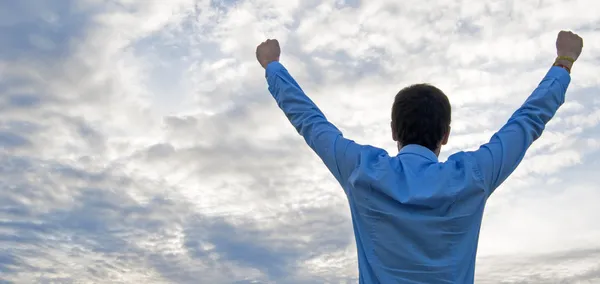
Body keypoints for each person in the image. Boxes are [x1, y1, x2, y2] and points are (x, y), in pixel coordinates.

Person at [255, 30, 583, 283]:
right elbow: (527, 120)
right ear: (445, 135)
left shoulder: (361, 170)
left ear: (394, 131)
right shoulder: (473, 175)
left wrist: (273, 65)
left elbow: (310, 121)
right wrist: (564, 60)